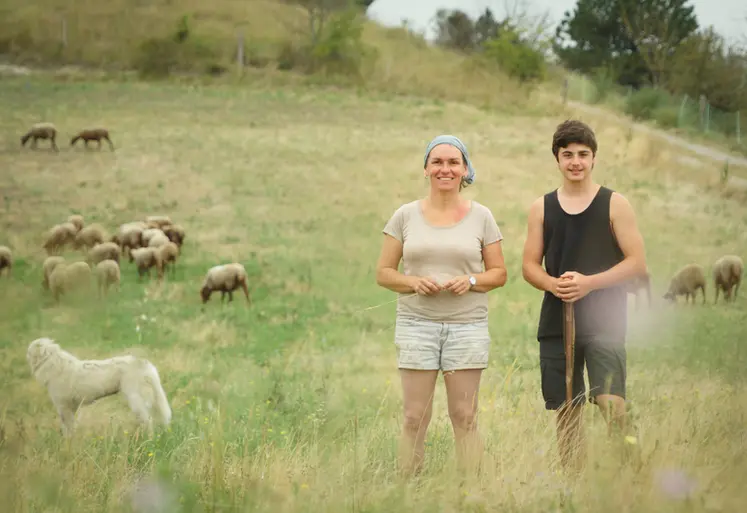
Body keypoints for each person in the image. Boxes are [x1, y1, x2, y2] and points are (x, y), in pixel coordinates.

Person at [375, 134, 507, 477]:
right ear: (425, 169)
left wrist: (472, 281)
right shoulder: (404, 216)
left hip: (467, 326)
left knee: (464, 415)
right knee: (413, 416)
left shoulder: (482, 217)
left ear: (465, 170)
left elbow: (499, 273)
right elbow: (384, 273)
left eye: (453, 162)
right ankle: (408, 489)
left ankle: (470, 491)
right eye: (437, 162)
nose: (444, 169)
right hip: (417, 325)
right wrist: (412, 282)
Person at [521, 120, 648, 472]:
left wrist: (590, 283)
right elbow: (530, 266)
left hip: (605, 320)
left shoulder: (615, 204)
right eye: (567, 155)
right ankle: (573, 485)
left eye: (583, 154)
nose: (575, 161)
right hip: (557, 322)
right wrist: (551, 284)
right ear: (557, 159)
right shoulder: (542, 208)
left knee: (612, 404)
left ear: (593, 159)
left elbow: (637, 264)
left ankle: (634, 472)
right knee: (566, 408)